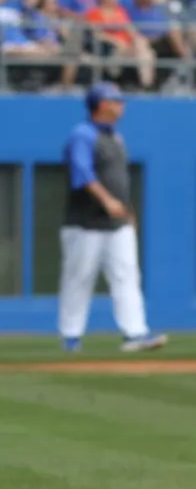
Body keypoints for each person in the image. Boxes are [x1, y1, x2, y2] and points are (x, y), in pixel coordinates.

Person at [57, 82, 167, 353]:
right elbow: (82, 174)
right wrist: (106, 201)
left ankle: (136, 334)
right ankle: (71, 336)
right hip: (85, 223)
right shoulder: (82, 134)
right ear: (101, 105)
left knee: (127, 276)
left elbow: (120, 181)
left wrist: (128, 212)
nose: (121, 105)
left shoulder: (116, 137)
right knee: (79, 278)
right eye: (115, 101)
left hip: (117, 223)